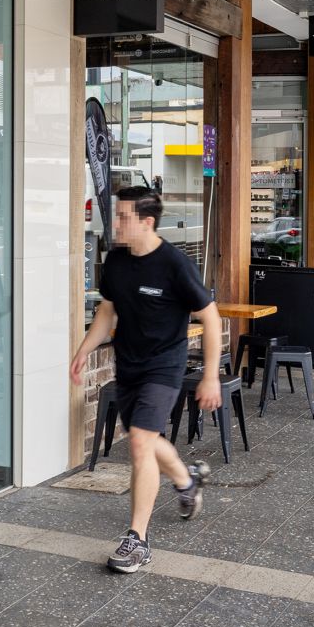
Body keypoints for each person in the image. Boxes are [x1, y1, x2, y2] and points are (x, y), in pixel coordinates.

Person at [70, 185, 221, 573]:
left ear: (147, 222)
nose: (116, 224)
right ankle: (186, 481)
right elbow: (108, 311)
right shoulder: (117, 260)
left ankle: (137, 540)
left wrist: (210, 377)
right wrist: (85, 349)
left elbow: (211, 317)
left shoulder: (175, 264)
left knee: (139, 442)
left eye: (123, 217)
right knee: (147, 441)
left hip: (164, 367)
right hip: (129, 366)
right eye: (116, 215)